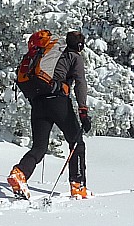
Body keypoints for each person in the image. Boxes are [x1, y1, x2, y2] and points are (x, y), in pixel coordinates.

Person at [8, 30, 92, 199]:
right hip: (58, 101)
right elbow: (80, 83)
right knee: (76, 143)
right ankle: (78, 186)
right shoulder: (73, 56)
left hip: (38, 103)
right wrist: (83, 110)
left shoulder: (47, 55)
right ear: (79, 45)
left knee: (39, 147)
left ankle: (19, 173)